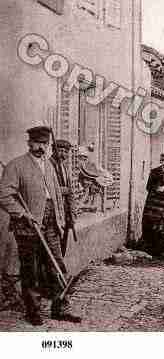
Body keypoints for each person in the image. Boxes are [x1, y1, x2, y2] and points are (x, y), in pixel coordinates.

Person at [0, 126, 81, 326]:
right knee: (32, 268)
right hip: (27, 226)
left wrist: (62, 218)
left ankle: (60, 308)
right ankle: (33, 311)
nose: (41, 147)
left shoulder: (50, 166)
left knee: (57, 264)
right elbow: (4, 195)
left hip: (51, 223)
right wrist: (21, 213)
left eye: (44, 144)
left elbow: (54, 196)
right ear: (29, 143)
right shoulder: (16, 165)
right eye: (37, 143)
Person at [49, 139, 75, 257]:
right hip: (52, 213)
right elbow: (44, 188)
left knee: (62, 244)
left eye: (66, 151)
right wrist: (61, 190)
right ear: (54, 150)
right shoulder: (48, 166)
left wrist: (71, 212)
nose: (63, 154)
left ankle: (59, 273)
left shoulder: (64, 167)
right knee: (52, 247)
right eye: (60, 150)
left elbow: (70, 192)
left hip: (65, 212)